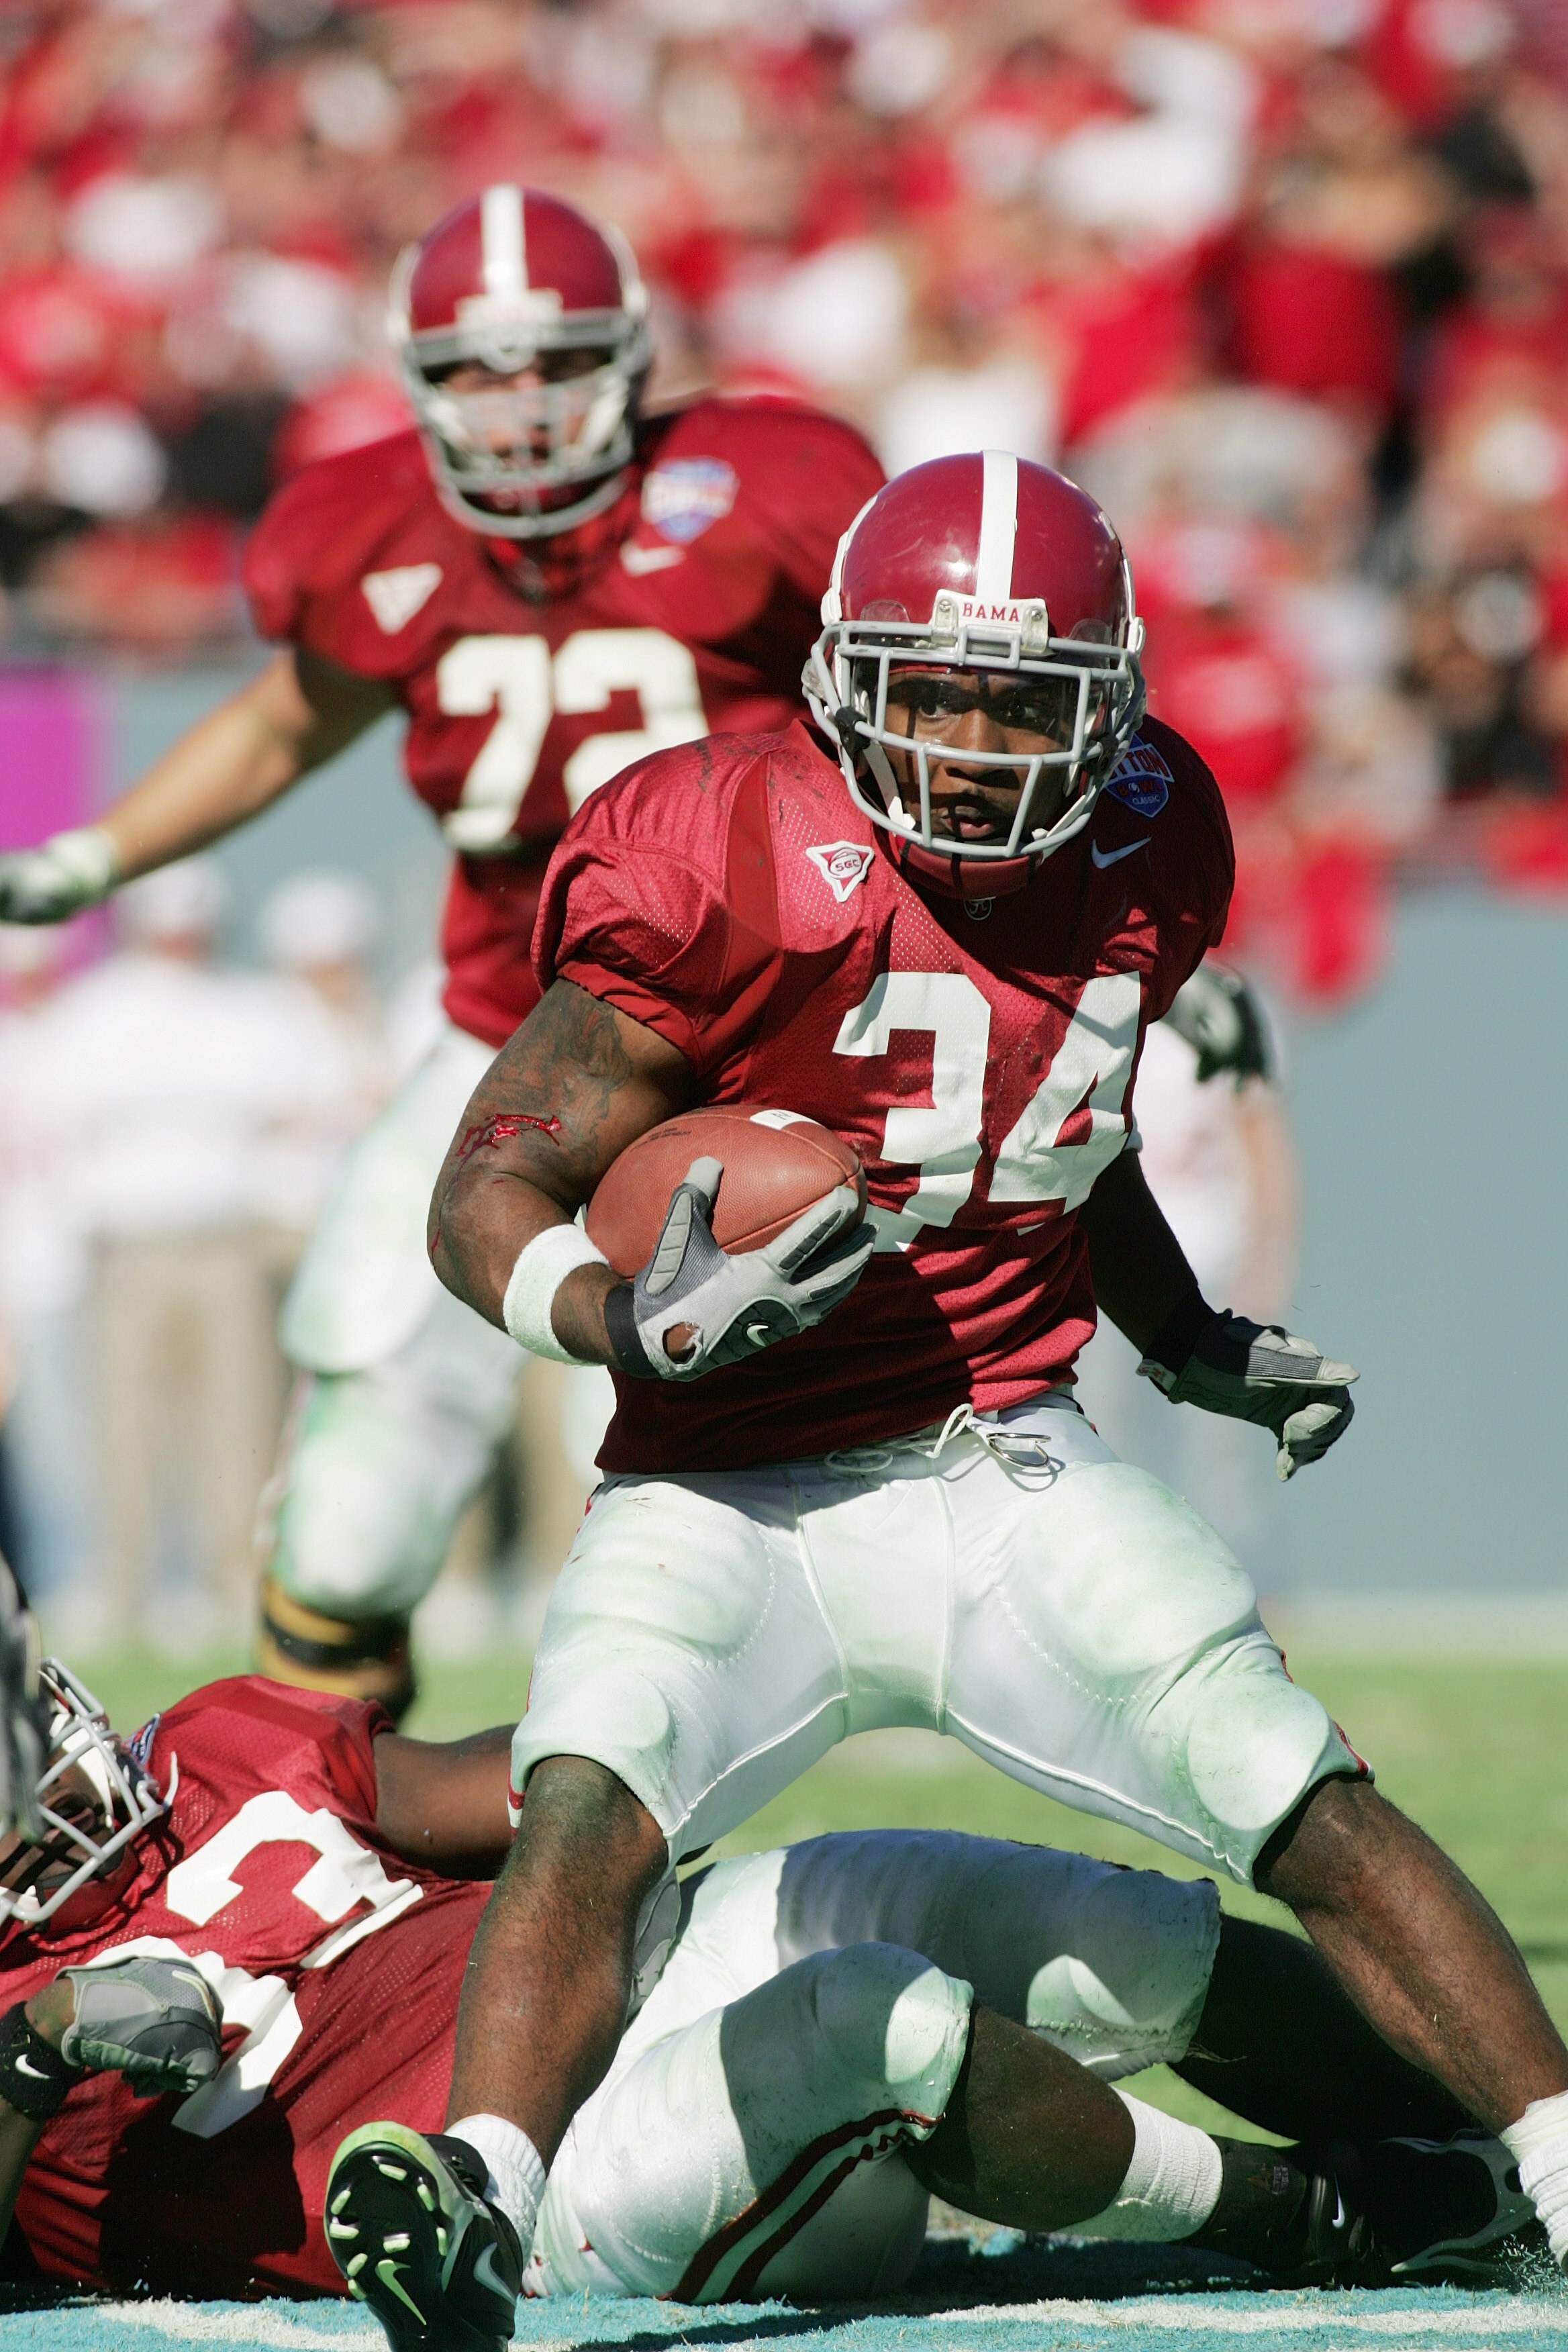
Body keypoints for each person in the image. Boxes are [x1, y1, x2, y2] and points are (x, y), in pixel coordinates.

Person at [365, 451, 1568, 2349]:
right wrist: (615, 1316)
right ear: (845, 680)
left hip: (996, 1451)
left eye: (1024, 702)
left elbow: (1068, 1127)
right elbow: (482, 1186)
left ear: (1111, 705)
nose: (978, 749)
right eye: (933, 694)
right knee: (589, 1786)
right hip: (724, 1483)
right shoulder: (717, 847)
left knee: (1293, 1786)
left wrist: (1179, 1332)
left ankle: (1560, 2164)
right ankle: (482, 2194)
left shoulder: (1158, 833)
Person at [0, 185, 885, 1716]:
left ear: (630, 360)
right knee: (349, 1507)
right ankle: (322, 1814)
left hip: (777, 1029)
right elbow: (286, 720)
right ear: (416, 383)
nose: (520, 407)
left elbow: (926, 710)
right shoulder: (370, 529)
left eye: (556, 363)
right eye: (476, 370)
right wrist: (94, 853)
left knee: (841, 1416)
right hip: (521, 1038)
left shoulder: (767, 482)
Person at [0, 1663, 1530, 2306]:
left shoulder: (215, 1744)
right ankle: (1325, 2217)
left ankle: (1521, 2147)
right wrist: (38, 2050)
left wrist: (645, 1696)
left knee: (1114, 1930)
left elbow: (508, 1788)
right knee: (879, 2020)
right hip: (542, 2182)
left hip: (639, 1956)